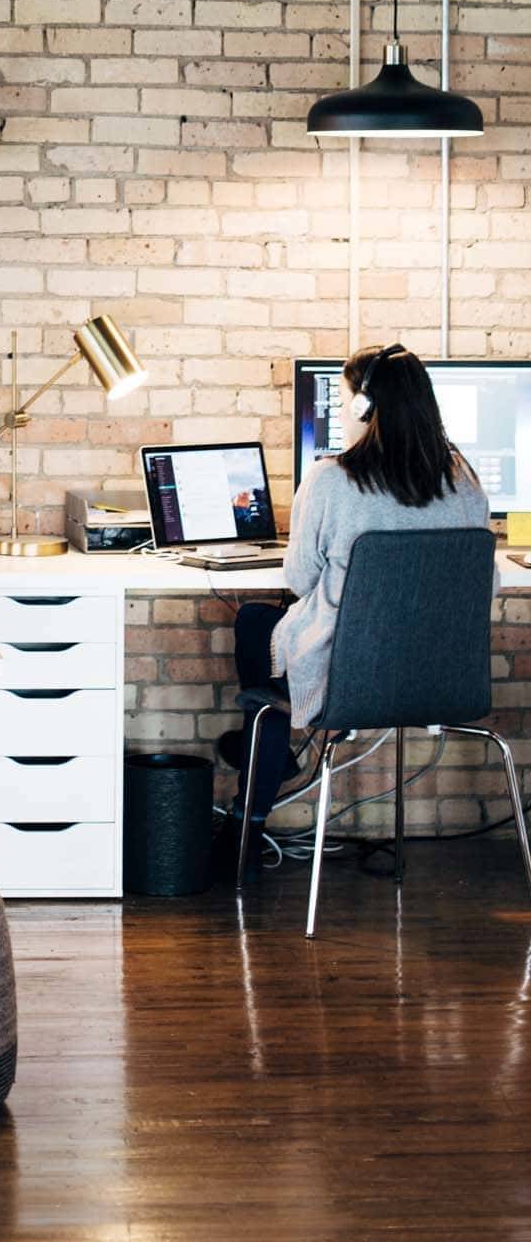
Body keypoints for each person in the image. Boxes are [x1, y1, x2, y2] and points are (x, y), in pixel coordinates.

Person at [215, 343, 490, 876]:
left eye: (344, 401)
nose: (341, 411)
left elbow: (299, 580)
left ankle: (255, 805)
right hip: (442, 680)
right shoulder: (465, 478)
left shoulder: (330, 479)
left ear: (365, 408)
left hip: (352, 680)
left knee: (254, 621)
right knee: (270, 630)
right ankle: (269, 758)